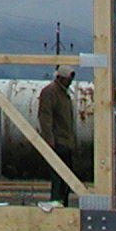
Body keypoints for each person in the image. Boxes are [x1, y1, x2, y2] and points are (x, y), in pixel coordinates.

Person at [36, 65, 77, 203]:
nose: (69, 82)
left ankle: (62, 202)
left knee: (66, 179)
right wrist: (49, 140)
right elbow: (45, 117)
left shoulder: (64, 93)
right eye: (67, 79)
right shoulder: (50, 92)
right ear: (59, 78)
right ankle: (57, 202)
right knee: (58, 178)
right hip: (58, 142)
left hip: (66, 142)